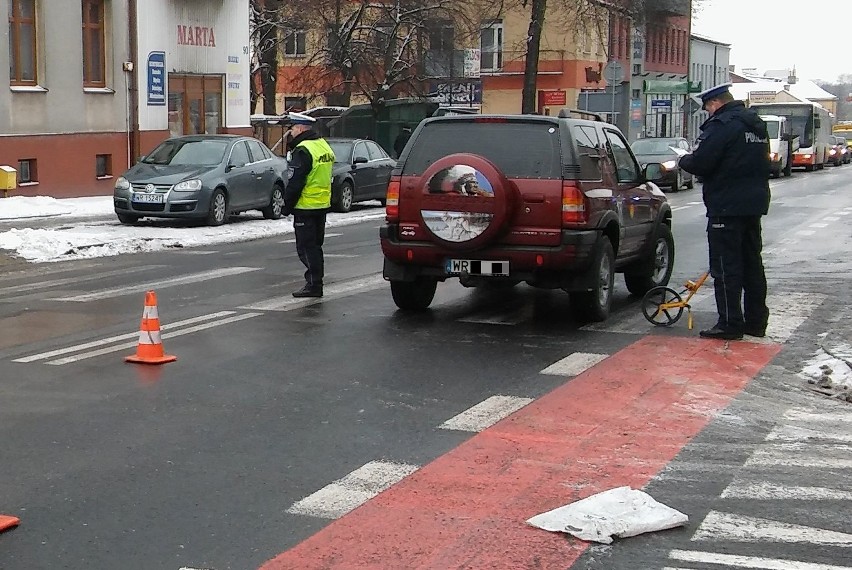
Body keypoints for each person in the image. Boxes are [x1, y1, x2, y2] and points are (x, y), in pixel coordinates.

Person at [678, 83, 771, 340]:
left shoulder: (723, 125)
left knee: (725, 266)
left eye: (708, 107)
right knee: (752, 263)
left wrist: (683, 160)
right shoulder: (756, 125)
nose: (708, 112)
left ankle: (730, 323)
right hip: (754, 204)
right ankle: (756, 321)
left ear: (716, 103)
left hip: (726, 205)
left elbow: (702, 162)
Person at [281, 111, 336, 298]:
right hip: (321, 204)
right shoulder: (323, 145)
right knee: (315, 246)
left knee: (306, 247)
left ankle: (314, 284)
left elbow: (296, 181)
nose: (291, 132)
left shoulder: (303, 150)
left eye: (293, 129)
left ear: (300, 128)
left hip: (306, 206)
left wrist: (286, 206)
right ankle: (315, 282)